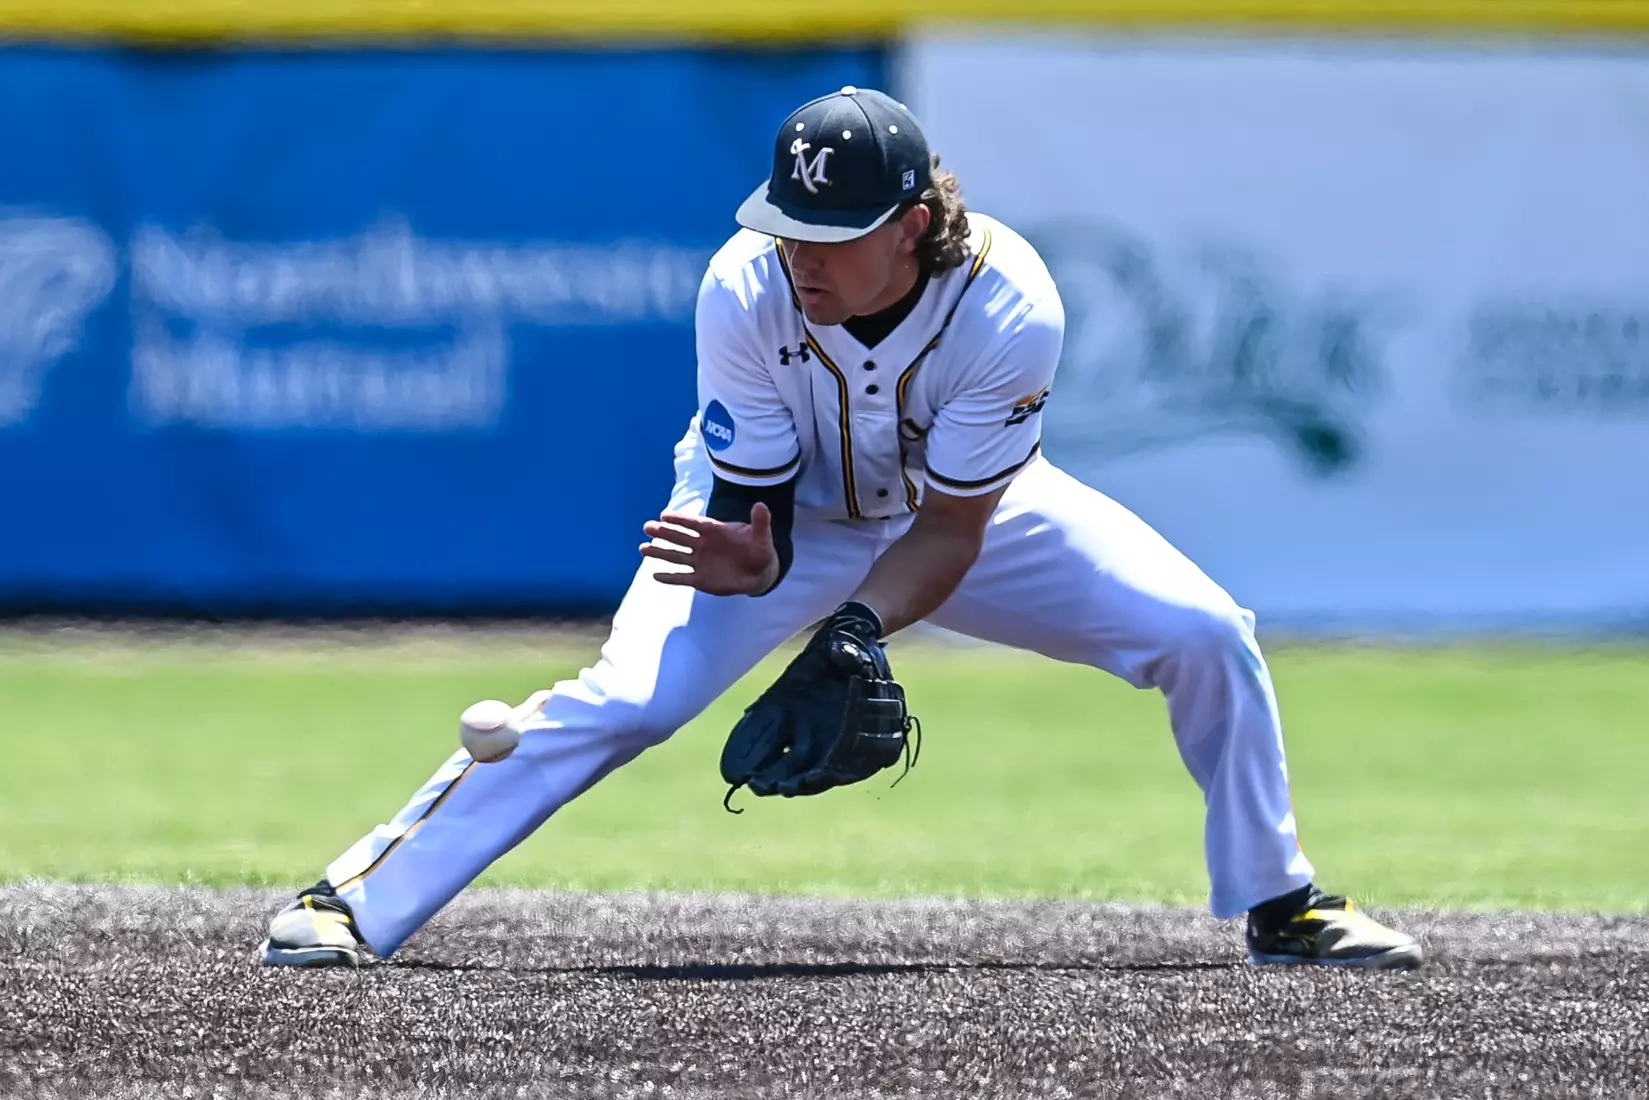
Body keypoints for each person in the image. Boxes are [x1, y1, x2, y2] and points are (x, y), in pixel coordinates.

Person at [258, 86, 1422, 972]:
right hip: (777, 516)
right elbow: (753, 501)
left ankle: (1281, 900)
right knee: (631, 697)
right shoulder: (743, 286)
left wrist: (857, 626)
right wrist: (748, 557)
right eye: (787, 221)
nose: (799, 250)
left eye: (833, 228)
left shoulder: (1011, 307)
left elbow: (955, 527)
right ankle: (351, 900)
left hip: (950, 516)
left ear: (913, 224)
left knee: (1205, 630)